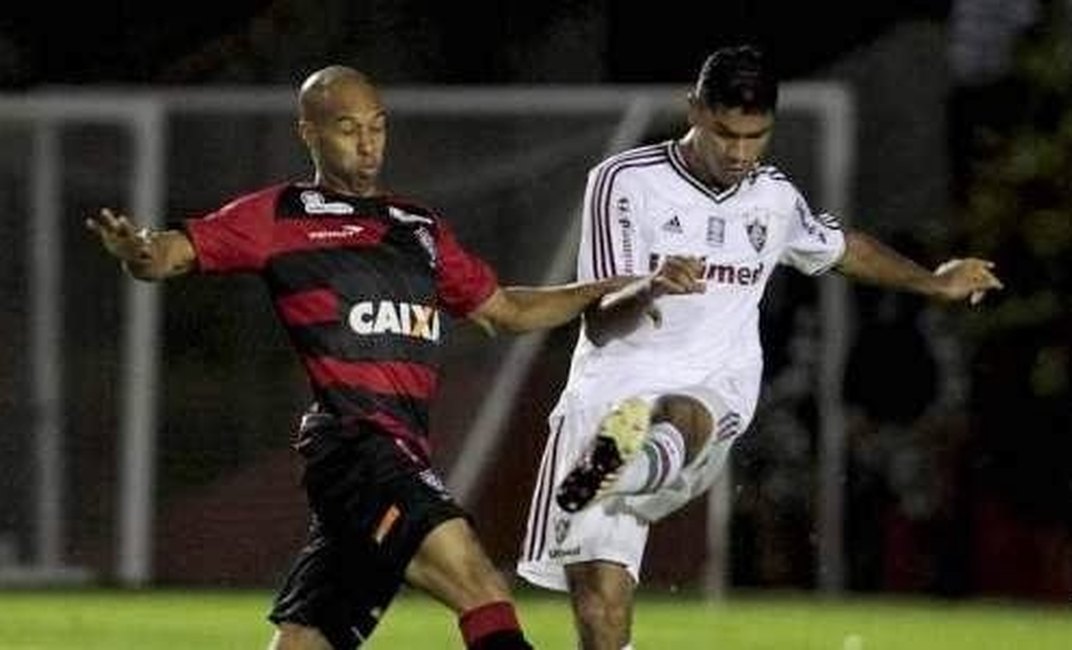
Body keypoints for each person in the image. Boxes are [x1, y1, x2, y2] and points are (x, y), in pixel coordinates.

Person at [86, 65, 704, 650]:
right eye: (348, 128)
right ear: (310, 132)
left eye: (377, 126)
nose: (367, 143)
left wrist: (619, 286)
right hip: (357, 448)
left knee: (309, 639)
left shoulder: (418, 228)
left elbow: (505, 311)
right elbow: (169, 255)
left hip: (392, 453)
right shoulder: (281, 215)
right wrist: (137, 249)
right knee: (480, 585)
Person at [515, 44, 1004, 650]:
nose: (741, 153)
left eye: (757, 136)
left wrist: (932, 280)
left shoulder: (772, 198)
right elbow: (601, 323)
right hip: (609, 392)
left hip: (712, 389)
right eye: (725, 134)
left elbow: (842, 248)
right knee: (599, 608)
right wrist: (652, 285)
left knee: (682, 409)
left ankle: (630, 467)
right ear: (693, 110)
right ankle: (619, 466)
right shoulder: (623, 183)